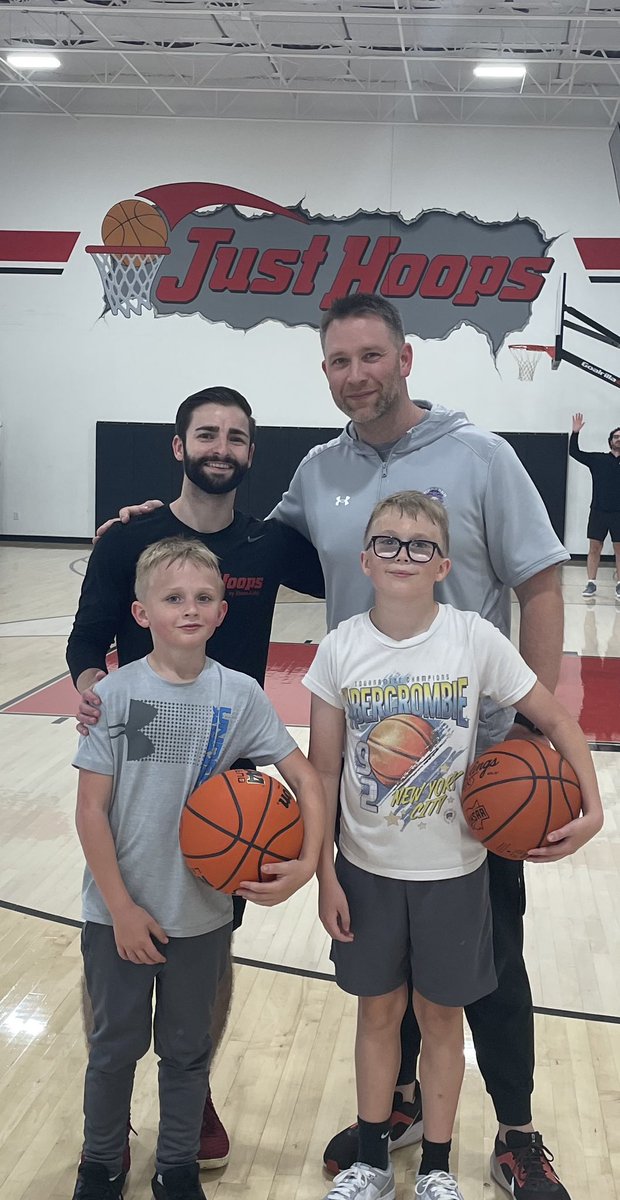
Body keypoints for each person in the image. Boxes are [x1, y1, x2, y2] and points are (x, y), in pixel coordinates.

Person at [110, 294, 579, 1198]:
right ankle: (399, 1102)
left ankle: (515, 1129)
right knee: (386, 956)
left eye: (371, 356)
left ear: (405, 359)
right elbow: (250, 546)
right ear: (325, 371)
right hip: (365, 773)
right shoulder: (321, 469)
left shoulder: (480, 455)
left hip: (474, 770)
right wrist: (160, 523)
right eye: (339, 362)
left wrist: (533, 727)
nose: (356, 374)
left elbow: (542, 583)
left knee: (491, 958)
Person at [304, 491, 602, 1200]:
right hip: (367, 871)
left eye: (417, 545)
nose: (401, 554)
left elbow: (556, 716)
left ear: (442, 563)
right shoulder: (339, 649)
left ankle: (437, 1165)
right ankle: (374, 1159)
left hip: (457, 871)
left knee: (441, 1020)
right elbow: (318, 771)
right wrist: (325, 874)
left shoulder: (473, 638)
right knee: (377, 1015)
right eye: (387, 542)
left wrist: (593, 807)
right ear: (365, 559)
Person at [67, 385, 324, 1169]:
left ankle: (192, 1080)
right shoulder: (129, 542)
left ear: (251, 452)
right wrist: (90, 694)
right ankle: (109, 1115)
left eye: (236, 437)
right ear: (178, 446)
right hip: (140, 746)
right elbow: (86, 640)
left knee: (209, 952)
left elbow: (358, 568)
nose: (221, 447)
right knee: (120, 950)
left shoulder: (271, 542)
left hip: (232, 772)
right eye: (206, 434)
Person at [569, 413, 620, 599]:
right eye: (616, 437)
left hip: (618, 513)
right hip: (598, 510)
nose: (619, 439)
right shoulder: (599, 460)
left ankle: (619, 585)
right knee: (594, 548)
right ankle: (591, 583)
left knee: (619, 549)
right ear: (610, 441)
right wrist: (575, 433)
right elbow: (575, 453)